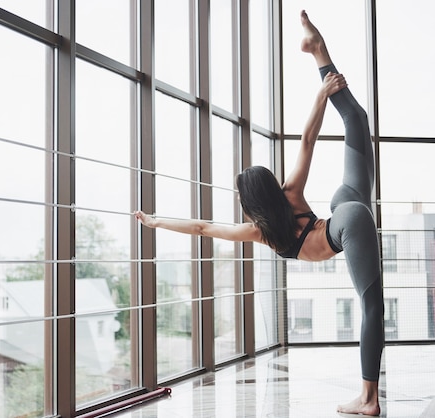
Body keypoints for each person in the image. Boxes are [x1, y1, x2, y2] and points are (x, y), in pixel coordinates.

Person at [134, 10, 383, 416]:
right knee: (357, 119)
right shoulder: (290, 193)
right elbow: (307, 139)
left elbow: (201, 226)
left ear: (250, 203)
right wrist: (322, 94)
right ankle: (319, 53)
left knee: (373, 306)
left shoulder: (259, 231)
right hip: (344, 211)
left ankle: (368, 400)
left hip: (347, 224)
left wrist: (156, 221)